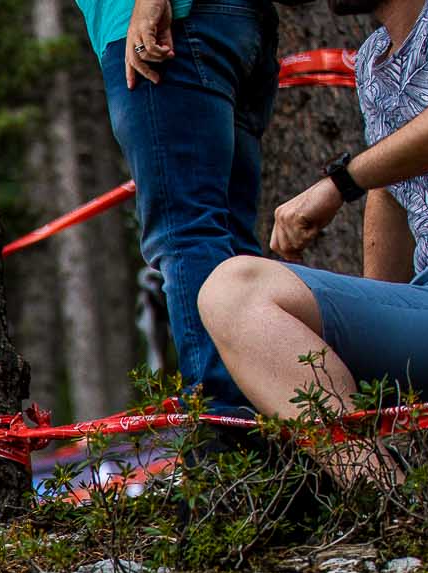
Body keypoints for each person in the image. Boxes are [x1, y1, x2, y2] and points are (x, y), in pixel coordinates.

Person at [199, 0, 428, 467]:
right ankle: (384, 496)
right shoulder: (372, 61)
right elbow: (389, 191)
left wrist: (341, 182)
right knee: (233, 293)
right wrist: (376, 318)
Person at [81, 0, 281, 409]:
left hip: (169, 23)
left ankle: (220, 416)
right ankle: (263, 410)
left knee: (187, 232)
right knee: (230, 240)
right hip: (236, 22)